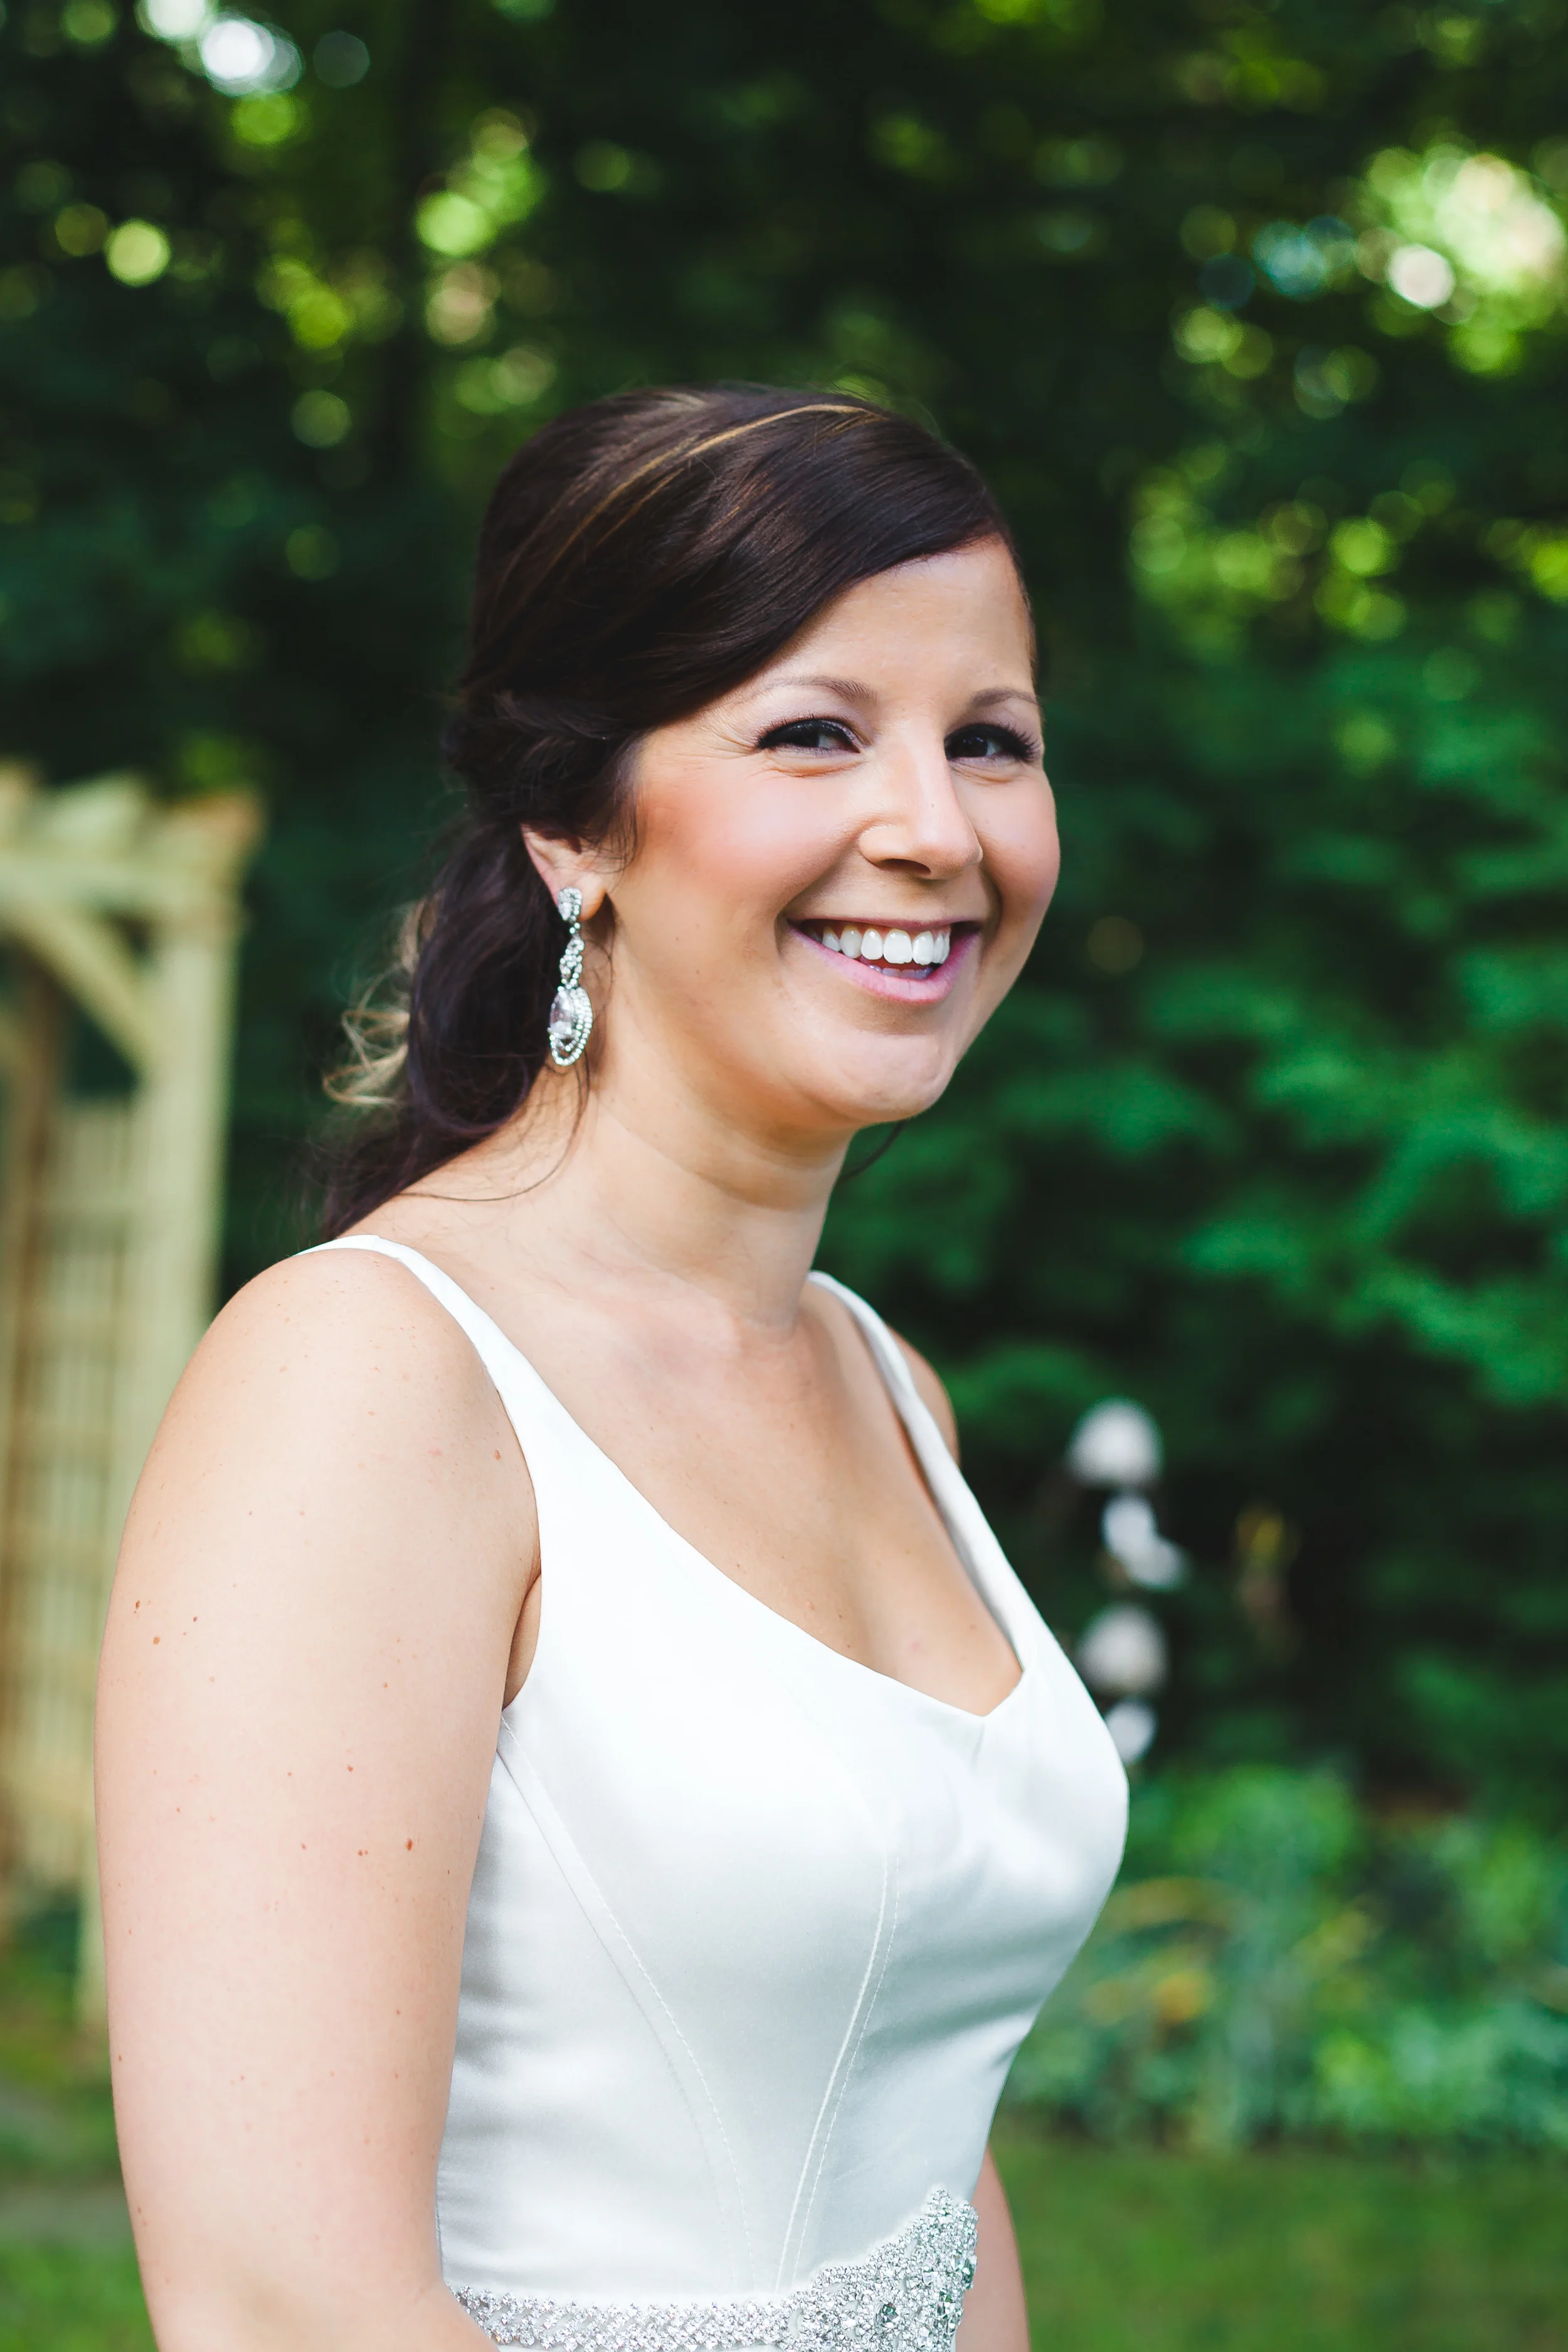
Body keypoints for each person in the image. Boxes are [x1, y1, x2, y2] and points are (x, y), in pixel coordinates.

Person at [95, 387, 1128, 2352]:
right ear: (575, 820)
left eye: (989, 740)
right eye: (813, 731)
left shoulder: (883, 1384)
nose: (933, 827)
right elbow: (280, 2302)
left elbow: (924, 2145)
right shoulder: (368, 1384)